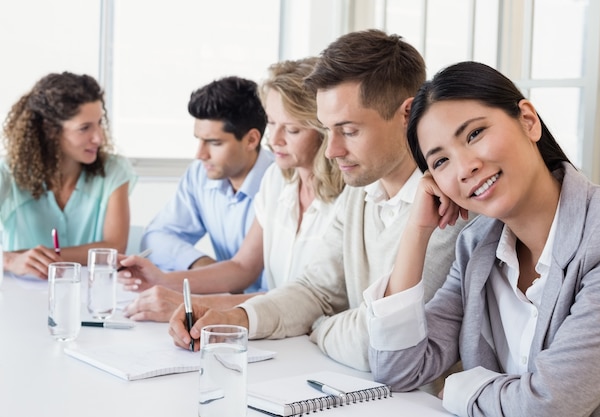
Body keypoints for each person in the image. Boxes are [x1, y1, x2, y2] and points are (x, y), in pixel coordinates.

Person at [166, 29, 468, 374]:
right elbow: (316, 290)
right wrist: (236, 318)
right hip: (356, 386)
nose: (332, 150)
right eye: (327, 131)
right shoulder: (360, 192)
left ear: (407, 114)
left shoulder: (448, 204)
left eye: (349, 131)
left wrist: (321, 327)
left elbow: (383, 339)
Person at [365, 61, 600, 417]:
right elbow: (398, 370)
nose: (464, 167)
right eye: (440, 162)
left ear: (528, 121)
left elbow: (550, 406)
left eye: (474, 134)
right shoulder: (477, 247)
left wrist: (462, 388)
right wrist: (417, 229)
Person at [119, 57, 344, 322]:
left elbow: (302, 297)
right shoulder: (278, 180)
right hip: (270, 329)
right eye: (271, 124)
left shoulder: (347, 197)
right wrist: (164, 281)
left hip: (301, 330)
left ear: (324, 131)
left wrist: (189, 304)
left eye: (292, 129)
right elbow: (242, 267)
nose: (274, 140)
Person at [138, 76, 274, 294]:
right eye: (199, 140)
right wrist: (202, 264)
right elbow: (155, 237)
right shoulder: (201, 173)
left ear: (251, 140)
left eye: (214, 142)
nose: (200, 154)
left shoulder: (280, 182)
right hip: (221, 303)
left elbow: (257, 279)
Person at [1, 72, 136, 279]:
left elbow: (114, 248)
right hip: (19, 298)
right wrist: (10, 260)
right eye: (84, 128)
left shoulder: (114, 170)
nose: (98, 138)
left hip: (88, 298)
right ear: (50, 131)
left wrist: (38, 258)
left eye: (100, 123)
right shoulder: (7, 173)